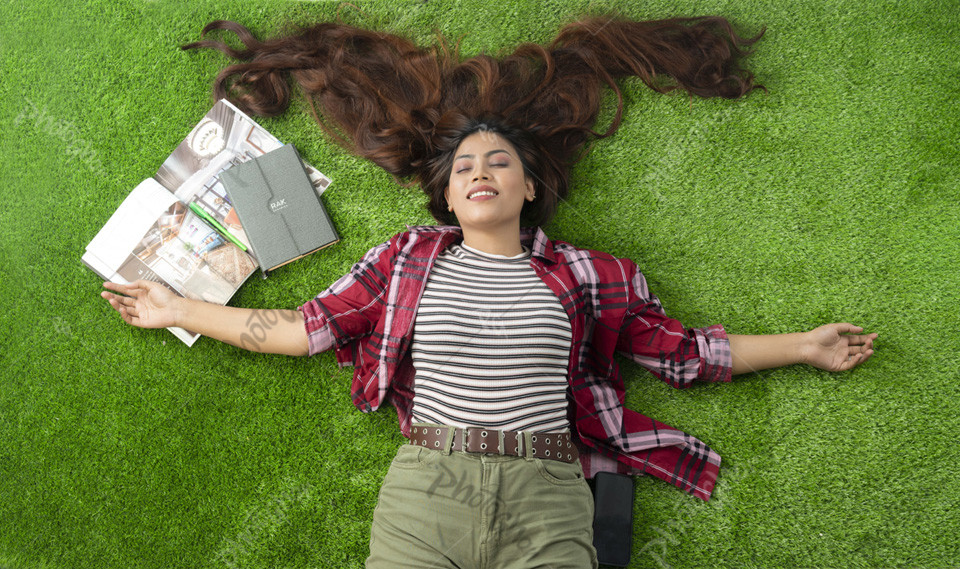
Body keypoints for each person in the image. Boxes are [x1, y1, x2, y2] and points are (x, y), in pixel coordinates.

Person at [101, 13, 877, 568]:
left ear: (530, 185)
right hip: (427, 489)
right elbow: (306, 328)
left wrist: (805, 346)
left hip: (548, 493)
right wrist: (178, 307)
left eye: (499, 161)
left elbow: (685, 355)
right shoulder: (407, 258)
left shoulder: (591, 274)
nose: (479, 170)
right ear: (447, 193)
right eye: (464, 164)